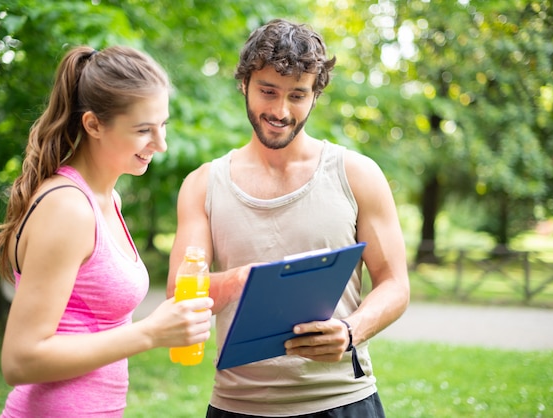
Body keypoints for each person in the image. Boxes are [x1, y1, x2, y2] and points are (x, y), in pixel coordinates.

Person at [167, 19, 410, 417]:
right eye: (268, 92)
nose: (280, 111)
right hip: (236, 407)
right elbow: (179, 291)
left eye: (297, 95)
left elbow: (395, 284)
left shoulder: (358, 174)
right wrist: (246, 281)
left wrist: (352, 331)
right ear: (244, 83)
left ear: (315, 96)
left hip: (343, 403)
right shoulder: (202, 184)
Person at [0, 45, 213, 417]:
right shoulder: (68, 209)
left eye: (163, 125)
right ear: (93, 124)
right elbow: (19, 360)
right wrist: (150, 333)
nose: (161, 144)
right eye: (143, 130)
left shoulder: (108, 200)